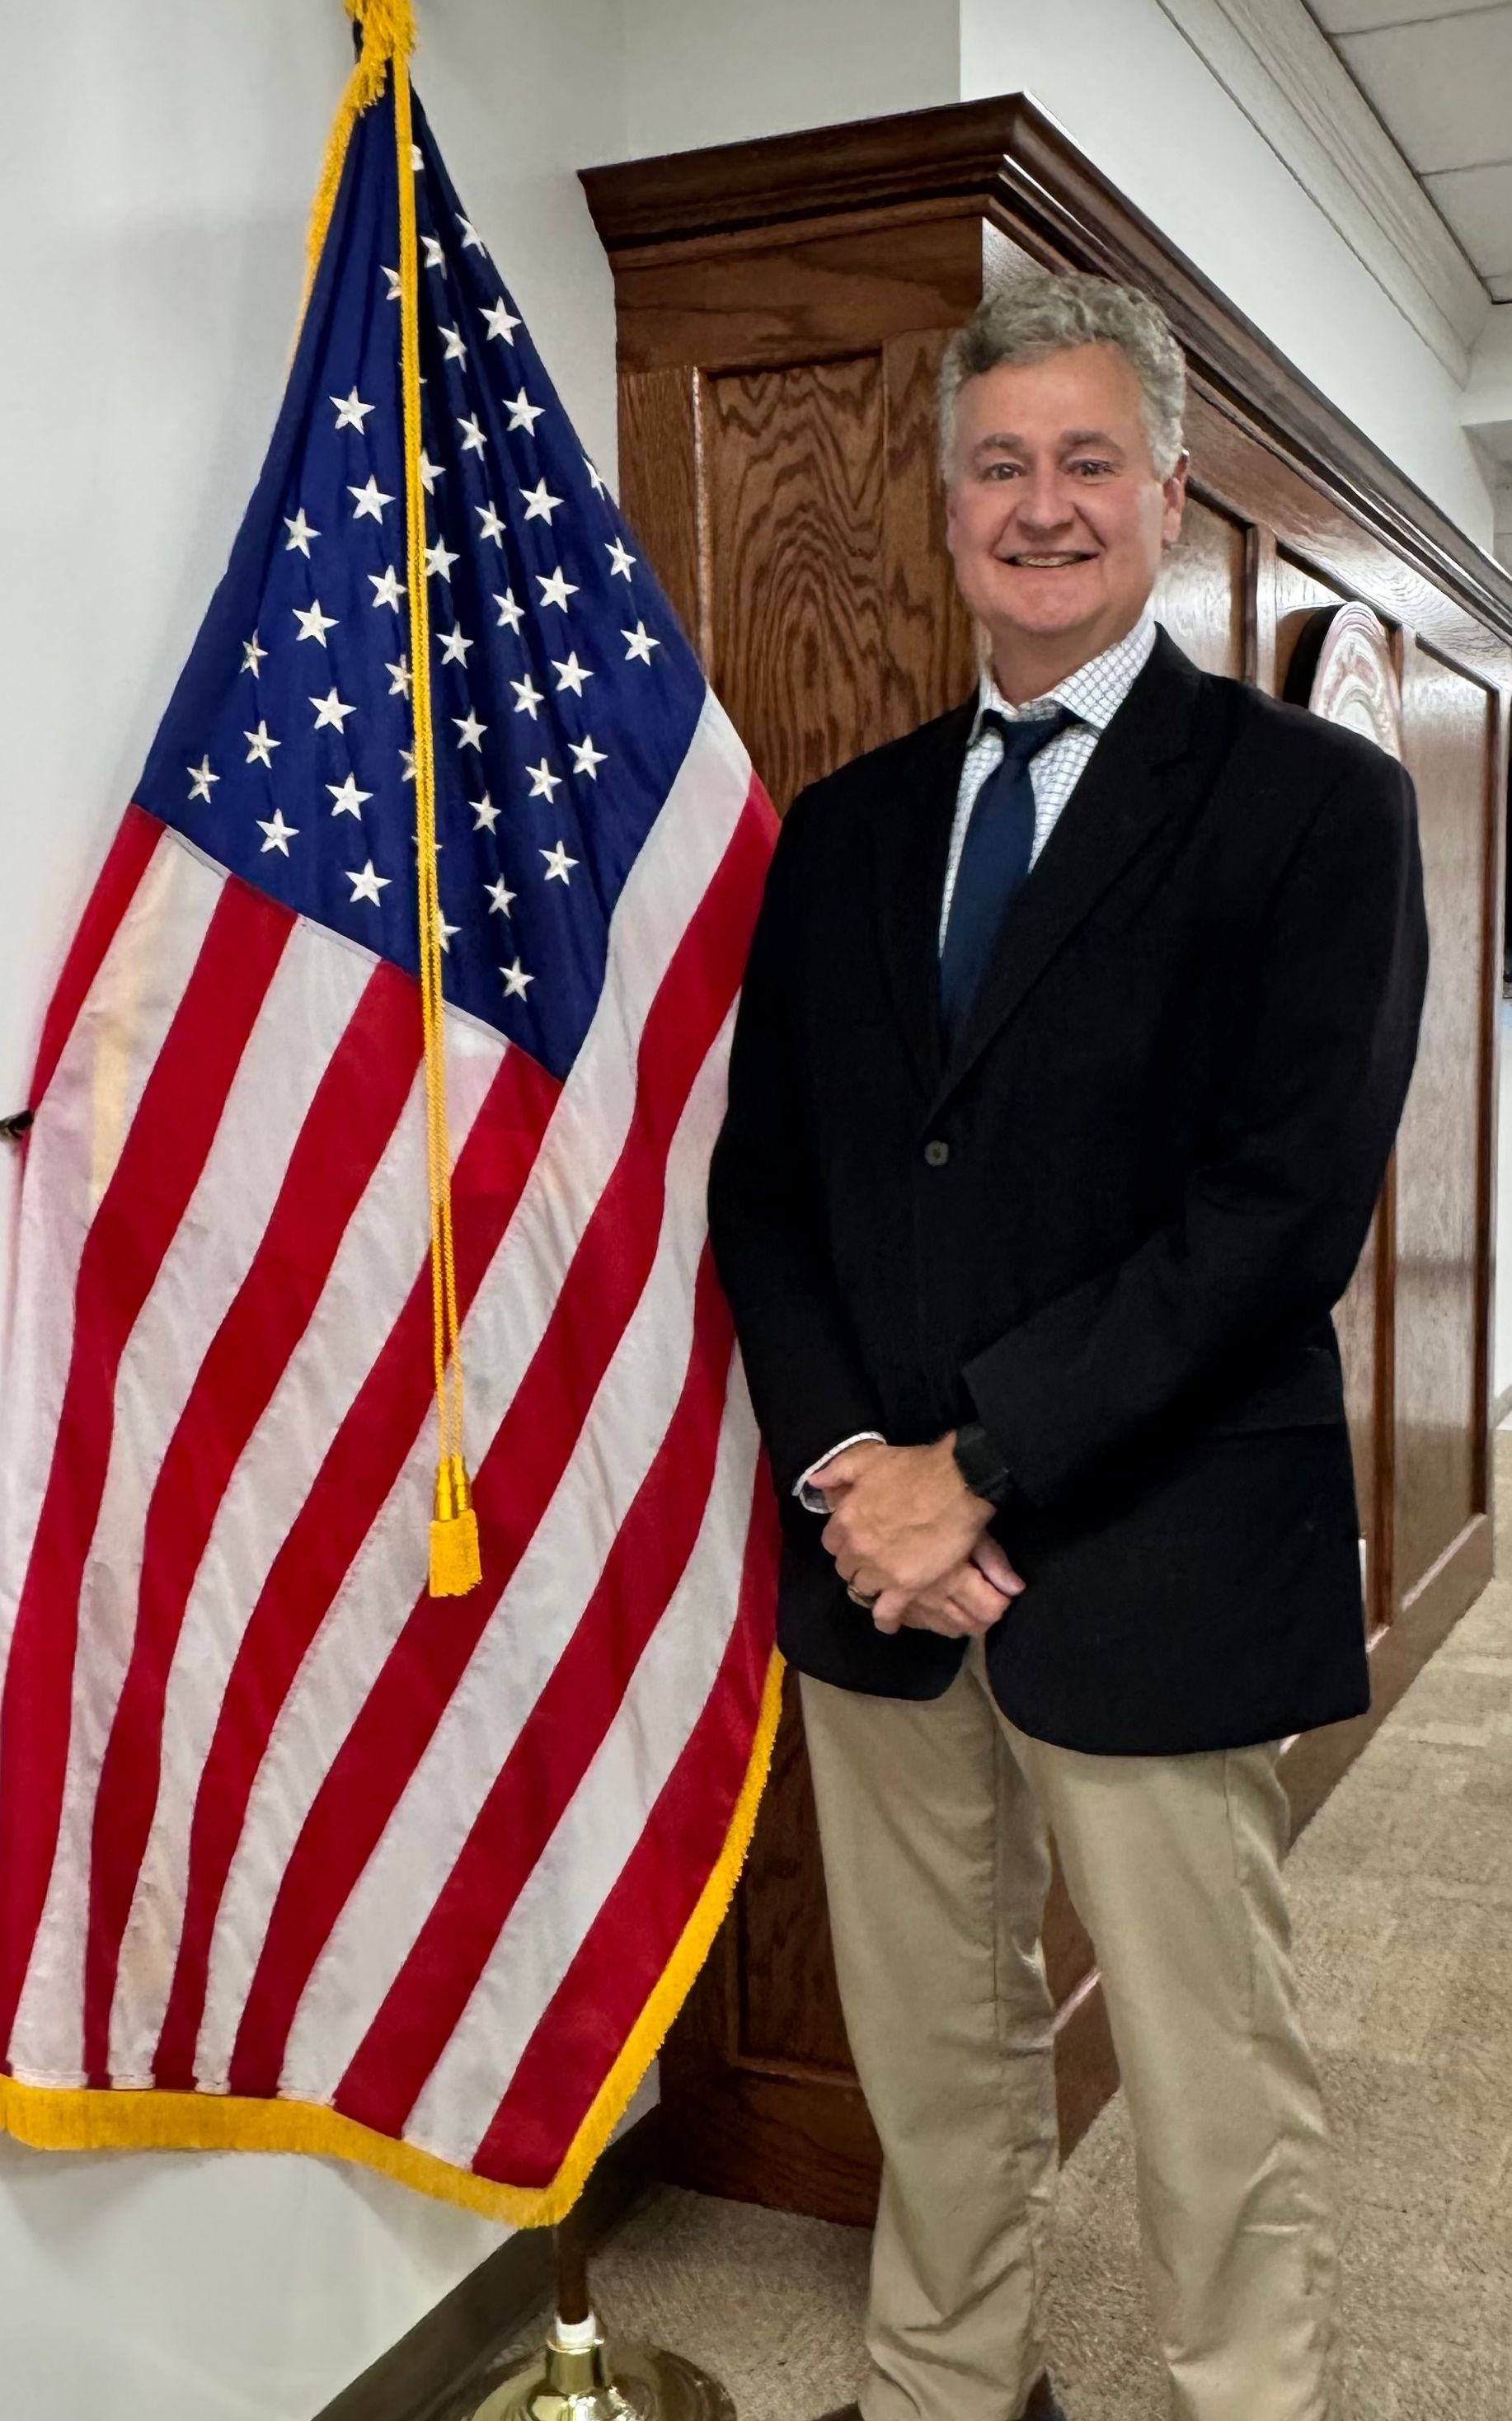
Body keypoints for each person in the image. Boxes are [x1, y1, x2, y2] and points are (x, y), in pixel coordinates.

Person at [707, 269, 1430, 2421]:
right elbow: (776, 1183)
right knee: (932, 2061)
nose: (1038, 505)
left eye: (1083, 461)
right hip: (873, 1566)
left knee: (1213, 2084)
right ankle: (944, 2391)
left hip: (1152, 1537)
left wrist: (981, 1462)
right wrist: (856, 1470)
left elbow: (1276, 1211)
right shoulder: (841, 827)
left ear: (1166, 489)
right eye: (996, 465)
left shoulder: (1310, 805)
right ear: (942, 510)